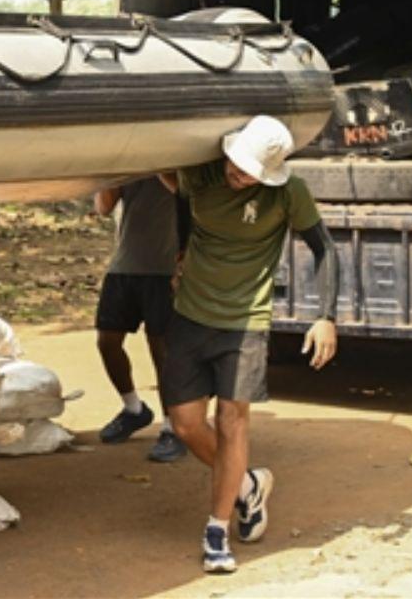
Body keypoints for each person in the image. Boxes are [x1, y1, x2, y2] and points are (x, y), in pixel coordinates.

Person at [160, 115, 338, 574]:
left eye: (247, 174)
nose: (237, 178)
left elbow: (324, 248)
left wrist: (325, 317)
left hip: (246, 321)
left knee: (232, 420)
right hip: (189, 315)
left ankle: (217, 530)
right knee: (185, 425)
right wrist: (182, 250)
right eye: (235, 167)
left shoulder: (288, 193)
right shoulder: (201, 174)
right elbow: (184, 204)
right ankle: (247, 484)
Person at [93, 178, 186, 462]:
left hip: (165, 269)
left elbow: (188, 197)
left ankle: (174, 427)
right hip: (125, 266)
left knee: (162, 350)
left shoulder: (178, 165)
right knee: (107, 341)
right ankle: (133, 409)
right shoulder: (129, 166)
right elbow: (103, 208)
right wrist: (113, 175)